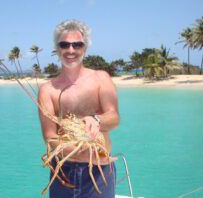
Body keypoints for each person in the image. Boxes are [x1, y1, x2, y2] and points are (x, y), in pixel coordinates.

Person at [38, 19, 120, 198]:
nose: (71, 50)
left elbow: (114, 118)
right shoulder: (47, 90)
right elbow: (50, 137)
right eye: (64, 44)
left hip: (99, 170)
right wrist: (74, 148)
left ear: (85, 48)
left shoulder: (101, 79)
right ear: (57, 48)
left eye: (77, 45)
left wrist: (96, 120)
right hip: (63, 171)